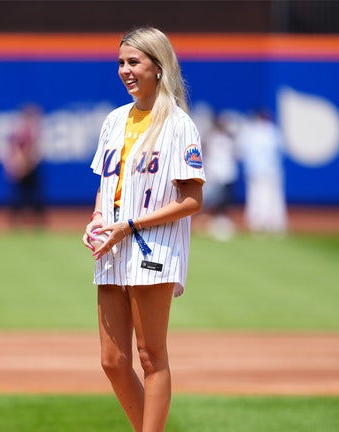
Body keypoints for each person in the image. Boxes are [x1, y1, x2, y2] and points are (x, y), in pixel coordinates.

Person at [81, 27, 206, 432]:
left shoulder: (178, 124)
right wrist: (98, 219)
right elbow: (106, 185)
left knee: (151, 356)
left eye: (133, 62)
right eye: (121, 62)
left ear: (159, 66)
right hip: (113, 246)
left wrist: (130, 224)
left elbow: (191, 200)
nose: (125, 70)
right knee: (112, 361)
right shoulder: (115, 120)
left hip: (153, 248)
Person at [236, 108, 287, 235]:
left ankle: (257, 223)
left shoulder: (249, 131)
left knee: (256, 196)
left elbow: (239, 152)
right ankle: (274, 224)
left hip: (255, 169)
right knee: (273, 197)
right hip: (272, 169)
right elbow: (282, 150)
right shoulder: (273, 131)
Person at [0, 103, 46, 229]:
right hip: (20, 169)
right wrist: (14, 165)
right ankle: (15, 221)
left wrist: (29, 164)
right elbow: (12, 151)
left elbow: (36, 153)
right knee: (18, 195)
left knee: (34, 195)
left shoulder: (34, 132)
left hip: (31, 168)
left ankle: (38, 221)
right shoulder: (19, 133)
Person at [201, 112, 239, 241]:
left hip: (227, 173)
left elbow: (235, 155)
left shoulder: (228, 138)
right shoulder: (211, 137)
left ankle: (220, 222)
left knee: (224, 200)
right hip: (214, 172)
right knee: (213, 199)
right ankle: (212, 222)